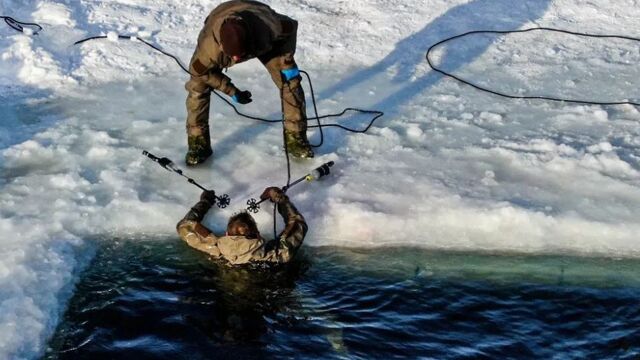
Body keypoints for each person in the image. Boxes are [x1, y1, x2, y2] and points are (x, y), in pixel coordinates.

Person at [184, 0, 314, 165]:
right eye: (233, 57)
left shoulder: (271, 26)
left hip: (259, 31)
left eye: (239, 55)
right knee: (197, 87)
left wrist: (287, 61)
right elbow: (198, 73)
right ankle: (198, 143)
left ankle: (296, 138)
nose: (237, 60)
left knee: (290, 82)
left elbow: (291, 26)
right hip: (220, 18)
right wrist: (231, 90)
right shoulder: (209, 48)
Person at [177, 187, 307, 265]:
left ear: (227, 234)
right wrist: (279, 198)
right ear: (257, 234)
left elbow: (184, 226)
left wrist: (205, 201)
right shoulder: (274, 254)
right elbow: (297, 223)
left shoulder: (214, 248)